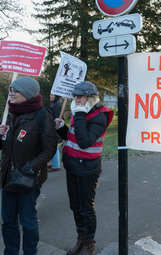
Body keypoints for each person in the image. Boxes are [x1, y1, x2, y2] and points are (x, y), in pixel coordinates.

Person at [0, 77, 57, 254]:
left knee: (27, 220)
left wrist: (28, 170)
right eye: (10, 90)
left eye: (15, 91)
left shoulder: (42, 115)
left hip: (29, 179)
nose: (10, 94)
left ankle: (30, 252)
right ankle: (10, 251)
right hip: (7, 177)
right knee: (8, 220)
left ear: (27, 94)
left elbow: (49, 150)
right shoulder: (7, 113)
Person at [55, 81, 113, 255]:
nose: (75, 99)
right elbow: (72, 137)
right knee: (75, 206)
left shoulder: (99, 116)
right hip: (72, 166)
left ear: (90, 97)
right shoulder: (80, 112)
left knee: (86, 208)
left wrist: (79, 114)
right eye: (74, 96)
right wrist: (62, 128)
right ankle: (80, 238)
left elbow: (84, 142)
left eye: (79, 96)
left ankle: (89, 242)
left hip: (88, 169)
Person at [48, 94, 64, 171]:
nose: (50, 96)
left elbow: (57, 118)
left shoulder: (57, 105)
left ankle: (55, 165)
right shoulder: (55, 104)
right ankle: (55, 163)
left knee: (54, 147)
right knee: (54, 146)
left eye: (52, 95)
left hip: (56, 129)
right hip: (54, 128)